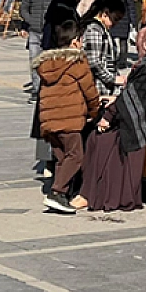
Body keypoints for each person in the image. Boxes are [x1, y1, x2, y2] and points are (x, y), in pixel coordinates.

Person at [76, 26, 146, 213]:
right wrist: (116, 101)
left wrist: (108, 117)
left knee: (101, 139)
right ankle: (89, 191)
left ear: (144, 43)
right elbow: (135, 96)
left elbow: (132, 98)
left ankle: (93, 194)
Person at [32, 20, 100, 214]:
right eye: (80, 40)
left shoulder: (48, 64)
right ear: (74, 41)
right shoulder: (77, 62)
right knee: (76, 156)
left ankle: (61, 196)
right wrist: (94, 112)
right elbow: (89, 91)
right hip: (69, 119)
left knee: (62, 157)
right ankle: (57, 192)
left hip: (49, 120)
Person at [21, 0, 59, 96]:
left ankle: (50, 89)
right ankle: (36, 89)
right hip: (35, 32)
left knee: (51, 62)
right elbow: (24, 9)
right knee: (35, 61)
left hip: (52, 33)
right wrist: (30, 21)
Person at [81, 0, 128, 97]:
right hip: (96, 88)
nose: (116, 23)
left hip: (103, 86)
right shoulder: (94, 30)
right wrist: (113, 79)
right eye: (115, 19)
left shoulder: (102, 30)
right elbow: (93, 62)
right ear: (105, 14)